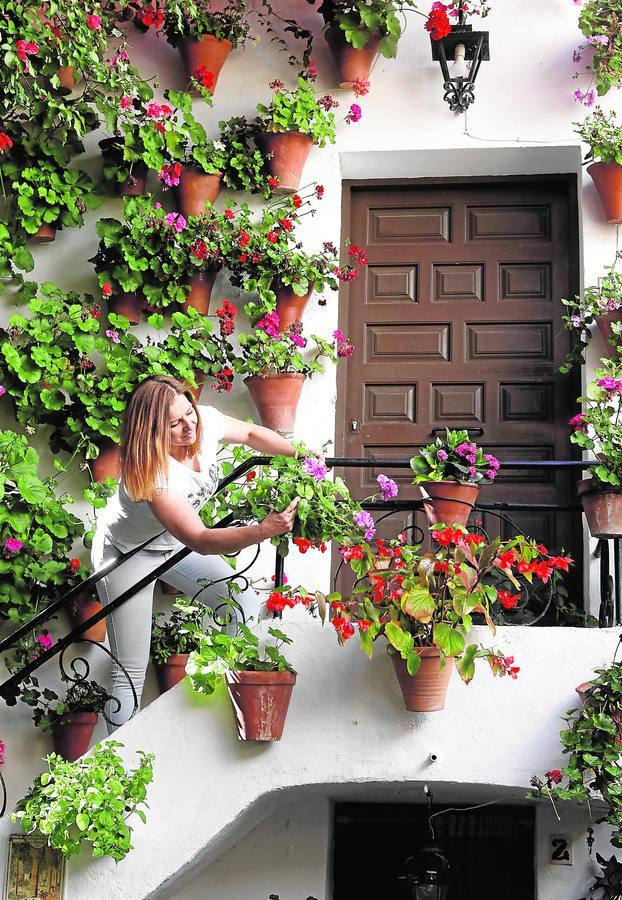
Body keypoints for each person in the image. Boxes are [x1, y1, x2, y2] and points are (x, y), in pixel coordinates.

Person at [91, 375, 300, 729]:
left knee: (242, 601)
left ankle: (216, 699)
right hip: (126, 555)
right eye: (174, 424)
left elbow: (250, 434)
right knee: (130, 665)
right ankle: (120, 767)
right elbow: (200, 539)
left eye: (189, 413)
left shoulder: (199, 422)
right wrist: (263, 531)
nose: (189, 427)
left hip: (170, 543)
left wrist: (302, 456)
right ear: (153, 431)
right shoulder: (155, 477)